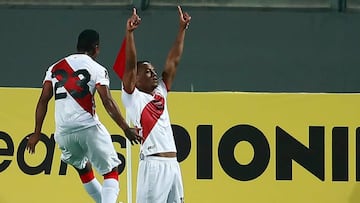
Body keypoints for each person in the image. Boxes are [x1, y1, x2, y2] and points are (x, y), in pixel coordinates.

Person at [25, 28, 141, 203]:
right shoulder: (97, 68)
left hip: (63, 133)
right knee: (111, 171)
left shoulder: (54, 67)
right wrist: (125, 128)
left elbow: (43, 100)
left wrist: (36, 133)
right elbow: (107, 101)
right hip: (88, 128)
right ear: (96, 47)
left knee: (84, 169)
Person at [118, 6, 191, 203]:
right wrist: (130, 34)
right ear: (137, 78)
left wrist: (182, 29)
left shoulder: (160, 94)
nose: (154, 74)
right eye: (148, 71)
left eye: (153, 70)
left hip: (173, 165)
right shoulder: (133, 98)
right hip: (153, 166)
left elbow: (173, 61)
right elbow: (130, 65)